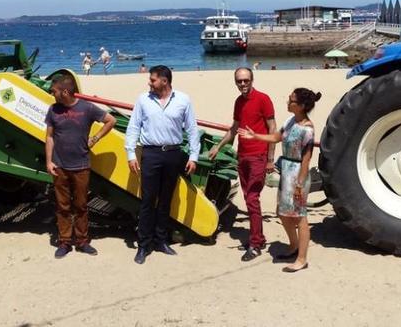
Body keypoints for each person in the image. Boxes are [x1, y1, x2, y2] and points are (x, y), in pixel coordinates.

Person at [239, 87, 320, 273]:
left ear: (300, 106)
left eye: (291, 100)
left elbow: (307, 160)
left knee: (300, 216)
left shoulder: (307, 129)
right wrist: (256, 135)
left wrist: (299, 184)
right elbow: (277, 137)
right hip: (287, 170)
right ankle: (293, 245)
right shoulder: (291, 121)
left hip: (298, 173)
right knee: (282, 212)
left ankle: (302, 259)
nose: (287, 101)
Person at [125, 65, 199, 264]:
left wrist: (194, 156)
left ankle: (161, 240)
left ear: (164, 81)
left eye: (153, 80)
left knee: (166, 199)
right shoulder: (143, 100)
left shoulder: (183, 99)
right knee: (148, 200)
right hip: (151, 154)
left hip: (173, 154)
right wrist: (131, 154)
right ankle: (144, 245)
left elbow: (192, 129)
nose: (149, 83)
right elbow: (133, 127)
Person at [45, 74, 116, 258]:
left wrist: (96, 138)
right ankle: (65, 242)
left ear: (65, 92)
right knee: (62, 206)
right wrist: (49, 161)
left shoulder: (87, 108)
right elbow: (49, 137)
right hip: (60, 166)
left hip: (81, 165)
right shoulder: (53, 110)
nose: (52, 94)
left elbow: (111, 121)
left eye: (54, 91)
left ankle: (82, 241)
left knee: (81, 205)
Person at [207, 67, 275, 261]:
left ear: (252, 80)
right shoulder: (238, 102)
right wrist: (218, 146)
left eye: (246, 80)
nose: (243, 84)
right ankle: (258, 238)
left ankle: (255, 245)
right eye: (239, 81)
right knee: (248, 198)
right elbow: (235, 128)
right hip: (242, 156)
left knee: (252, 199)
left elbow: (272, 128)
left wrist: (270, 159)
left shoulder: (263, 99)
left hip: (258, 157)